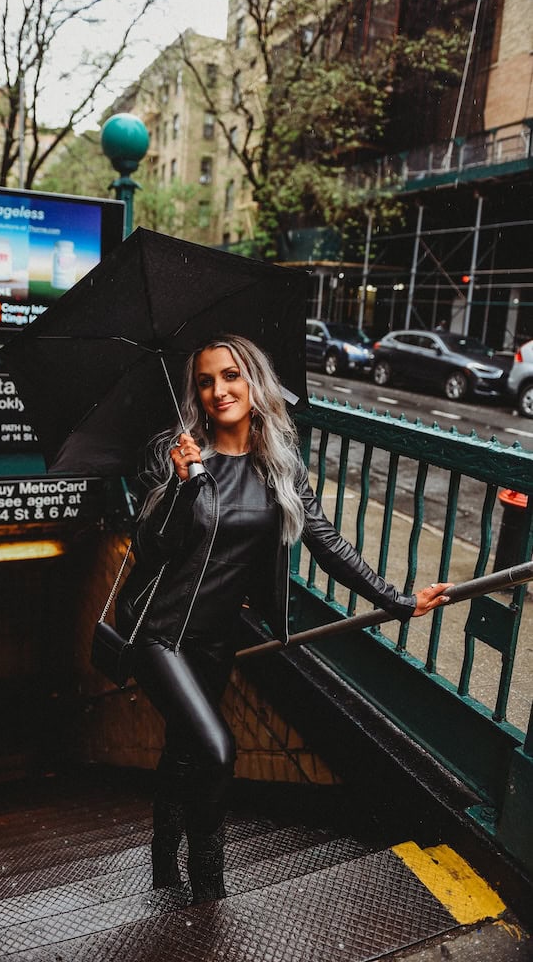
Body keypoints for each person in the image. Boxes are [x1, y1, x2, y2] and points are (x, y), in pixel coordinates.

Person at [115, 334, 451, 905]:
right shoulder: (179, 453)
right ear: (195, 392)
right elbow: (150, 549)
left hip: (217, 640)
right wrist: (182, 484)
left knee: (183, 747)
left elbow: (327, 544)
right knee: (217, 750)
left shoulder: (279, 471)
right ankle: (208, 893)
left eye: (230, 375)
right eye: (205, 381)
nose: (219, 390)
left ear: (253, 382)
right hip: (160, 633)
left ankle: (162, 861)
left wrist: (396, 600)